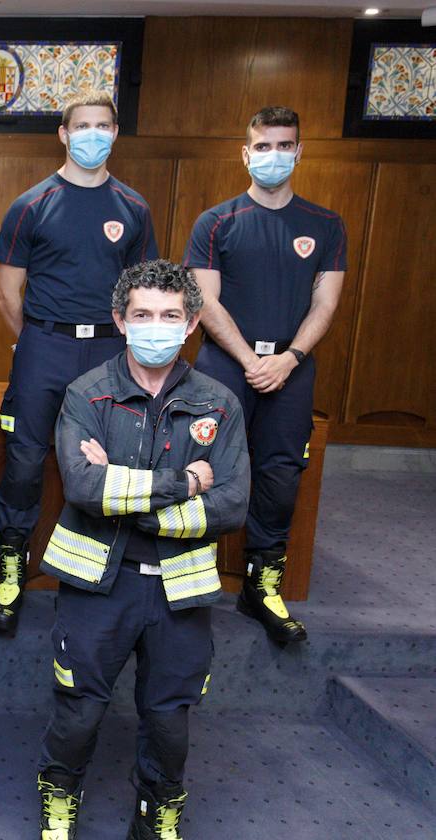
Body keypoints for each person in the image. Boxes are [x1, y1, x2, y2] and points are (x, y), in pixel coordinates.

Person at [35, 260, 247, 840]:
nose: (157, 326)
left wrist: (121, 490)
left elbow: (231, 508)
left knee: (169, 719)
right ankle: (59, 796)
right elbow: (81, 488)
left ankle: (158, 812)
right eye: (143, 315)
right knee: (78, 710)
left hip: (181, 587)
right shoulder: (87, 393)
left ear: (192, 323)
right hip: (98, 580)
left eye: (170, 316)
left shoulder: (220, 403)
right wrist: (186, 482)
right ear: (120, 321)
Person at [0, 90, 159, 635]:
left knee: (106, 461)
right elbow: (5, 294)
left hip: (110, 349)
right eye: (80, 125)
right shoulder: (31, 204)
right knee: (25, 458)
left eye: (102, 125)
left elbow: (142, 289)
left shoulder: (133, 208)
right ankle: (11, 569)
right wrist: (40, 340)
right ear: (63, 134)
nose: (91, 134)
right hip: (45, 345)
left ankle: (97, 576)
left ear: (114, 134)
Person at [185, 105, 346, 646]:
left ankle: (261, 584)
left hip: (292, 369)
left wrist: (290, 358)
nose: (273, 155)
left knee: (280, 474)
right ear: (245, 152)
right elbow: (203, 300)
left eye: (284, 145)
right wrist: (250, 360)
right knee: (204, 469)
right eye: (263, 146)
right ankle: (192, 578)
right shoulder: (217, 221)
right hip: (223, 365)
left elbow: (325, 303)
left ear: (299, 151)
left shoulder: (326, 225)